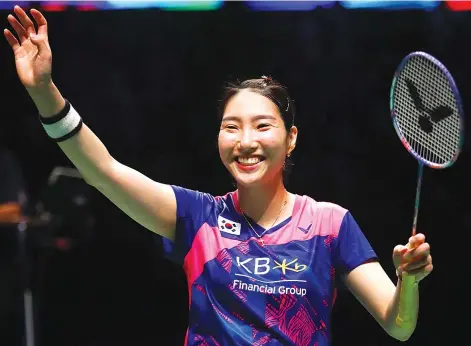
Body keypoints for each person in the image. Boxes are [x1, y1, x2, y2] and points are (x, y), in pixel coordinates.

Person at [4, 6, 433, 345]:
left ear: (291, 139)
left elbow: (398, 324)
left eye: (263, 126)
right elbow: (104, 172)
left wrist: (408, 281)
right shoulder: (198, 218)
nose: (246, 141)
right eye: (232, 126)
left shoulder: (329, 225)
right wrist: (44, 91)